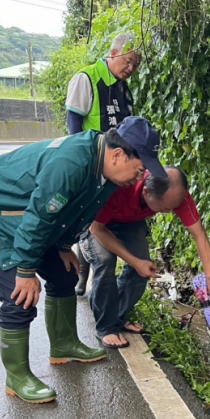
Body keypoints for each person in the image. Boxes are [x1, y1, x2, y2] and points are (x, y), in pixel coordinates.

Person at [0, 116, 168, 404]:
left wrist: (65, 246)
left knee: (64, 273)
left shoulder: (107, 171)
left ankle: (63, 345)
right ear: (118, 155)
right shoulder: (72, 163)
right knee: (18, 296)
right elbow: (40, 216)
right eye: (139, 169)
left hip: (23, 216)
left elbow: (79, 211)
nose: (140, 178)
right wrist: (26, 271)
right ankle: (17, 376)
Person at [80, 166, 210, 349]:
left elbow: (200, 236)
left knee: (142, 272)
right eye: (165, 207)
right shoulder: (121, 185)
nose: (170, 211)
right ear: (146, 192)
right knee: (105, 262)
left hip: (129, 221)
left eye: (173, 207)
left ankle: (115, 315)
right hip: (95, 223)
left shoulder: (176, 195)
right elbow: (97, 229)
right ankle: (106, 327)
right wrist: (135, 262)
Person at [65, 33, 142, 296]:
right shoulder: (87, 78)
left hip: (119, 167)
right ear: (113, 52)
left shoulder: (123, 87)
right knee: (90, 220)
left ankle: (86, 271)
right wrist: (81, 162)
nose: (131, 68)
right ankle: (82, 274)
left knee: (101, 220)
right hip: (95, 164)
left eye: (136, 65)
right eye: (128, 61)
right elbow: (74, 122)